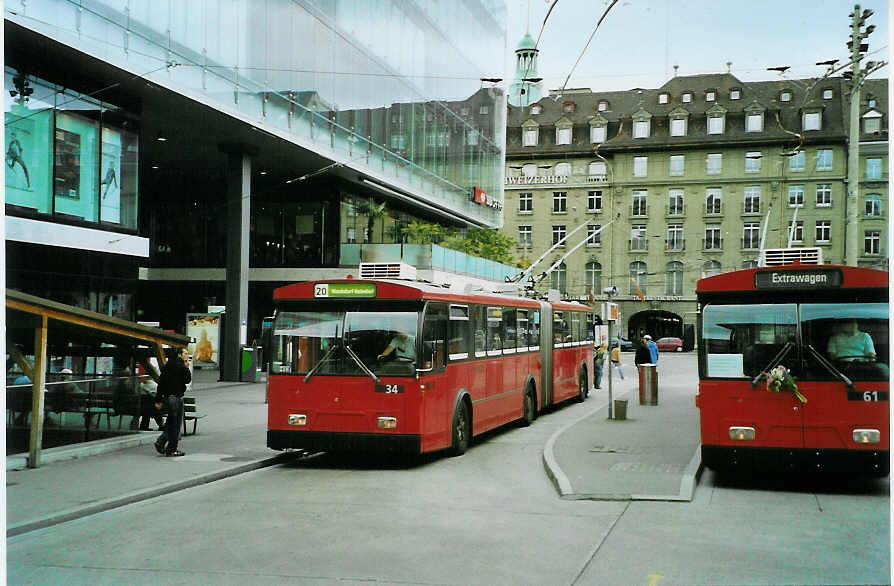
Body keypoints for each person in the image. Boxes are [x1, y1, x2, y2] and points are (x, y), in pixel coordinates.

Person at [153, 348, 192, 457]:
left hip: (167, 397)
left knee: (171, 422)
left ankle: (161, 442)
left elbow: (161, 383)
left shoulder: (168, 365)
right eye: (185, 353)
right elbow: (187, 380)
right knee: (175, 425)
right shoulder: (181, 366)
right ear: (179, 354)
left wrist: (158, 399)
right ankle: (171, 448)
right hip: (176, 397)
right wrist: (187, 368)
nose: (187, 355)